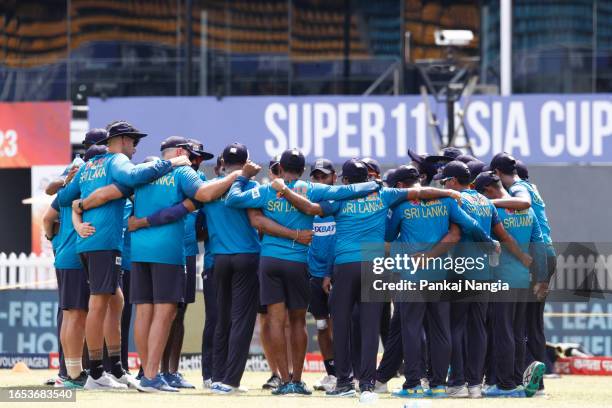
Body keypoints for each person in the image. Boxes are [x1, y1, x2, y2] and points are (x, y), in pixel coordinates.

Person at [270, 158, 462, 403]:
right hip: (375, 265)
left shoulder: (338, 198)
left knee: (340, 324)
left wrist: (285, 192)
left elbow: (309, 209)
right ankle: (368, 384)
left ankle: (344, 382)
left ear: (347, 180)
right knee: (370, 327)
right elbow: (420, 191)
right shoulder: (384, 194)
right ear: (368, 179)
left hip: (346, 265)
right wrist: (447, 191)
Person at [225, 150, 381, 396]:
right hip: (297, 262)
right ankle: (297, 380)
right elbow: (348, 191)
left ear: (280, 167)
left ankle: (284, 380)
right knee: (297, 321)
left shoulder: (266, 190)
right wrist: (375, 183)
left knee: (276, 321)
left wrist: (243, 177)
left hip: (270, 260)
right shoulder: (312, 189)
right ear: (303, 170)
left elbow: (232, 199)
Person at [57, 121, 191, 390]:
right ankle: (96, 373)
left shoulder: (88, 167)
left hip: (92, 242)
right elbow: (132, 177)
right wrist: (171, 165)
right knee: (99, 302)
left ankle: (115, 368)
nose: (135, 148)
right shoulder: (115, 159)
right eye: (134, 142)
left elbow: (63, 197)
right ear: (122, 141)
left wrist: (78, 209)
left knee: (115, 299)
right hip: (103, 240)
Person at [384, 165, 498, 399]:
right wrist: (489, 243)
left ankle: (414, 384)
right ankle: (438, 385)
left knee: (412, 330)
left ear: (401, 187)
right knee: (441, 331)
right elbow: (469, 226)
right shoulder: (446, 203)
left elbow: (387, 238)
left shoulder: (400, 206)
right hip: (440, 276)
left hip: (412, 276)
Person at [434, 160, 532, 399]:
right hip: (484, 273)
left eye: (445, 181)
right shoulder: (485, 202)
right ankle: (475, 384)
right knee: (478, 328)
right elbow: (503, 234)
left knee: (456, 328)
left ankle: (457, 383)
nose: (444, 186)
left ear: (454, 181)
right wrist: (520, 256)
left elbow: (462, 230)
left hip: (461, 270)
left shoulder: (455, 199)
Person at [474, 171, 547, 398]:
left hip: (500, 279)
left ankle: (506, 385)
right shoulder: (528, 211)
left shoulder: (491, 210)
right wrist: (541, 278)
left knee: (502, 331)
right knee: (517, 331)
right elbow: (539, 245)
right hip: (523, 279)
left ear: (486, 190)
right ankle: (517, 379)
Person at [487, 153, 553, 396]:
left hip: (536, 254)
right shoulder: (529, 185)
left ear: (496, 173)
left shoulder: (519, 188)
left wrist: (488, 203)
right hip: (541, 252)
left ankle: (528, 381)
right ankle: (530, 380)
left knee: (521, 326)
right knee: (525, 325)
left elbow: (523, 204)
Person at [307, 158, 338, 392]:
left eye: (324, 177)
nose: (320, 181)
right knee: (320, 326)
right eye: (315, 177)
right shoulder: (305, 205)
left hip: (338, 274)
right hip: (314, 277)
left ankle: (346, 373)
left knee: (340, 326)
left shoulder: (340, 204)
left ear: (334, 178)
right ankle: (331, 374)